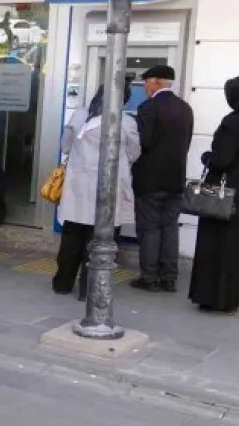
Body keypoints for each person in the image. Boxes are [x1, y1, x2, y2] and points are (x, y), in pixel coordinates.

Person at [53, 84, 140, 299]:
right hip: (107, 188)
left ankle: (62, 283)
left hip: (78, 187)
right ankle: (88, 289)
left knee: (72, 236)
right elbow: (134, 152)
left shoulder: (80, 116)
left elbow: (65, 146)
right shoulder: (125, 122)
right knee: (100, 240)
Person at [189, 76, 239, 313]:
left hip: (225, 194)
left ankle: (214, 298)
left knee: (217, 246)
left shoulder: (233, 123)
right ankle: (233, 296)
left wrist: (207, 157)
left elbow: (222, 159)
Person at [130, 65, 194, 293]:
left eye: (146, 82)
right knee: (169, 227)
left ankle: (149, 277)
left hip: (150, 180)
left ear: (155, 82)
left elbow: (143, 143)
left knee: (150, 228)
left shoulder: (148, 108)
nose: (145, 86)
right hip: (175, 178)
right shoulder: (185, 108)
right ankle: (169, 277)